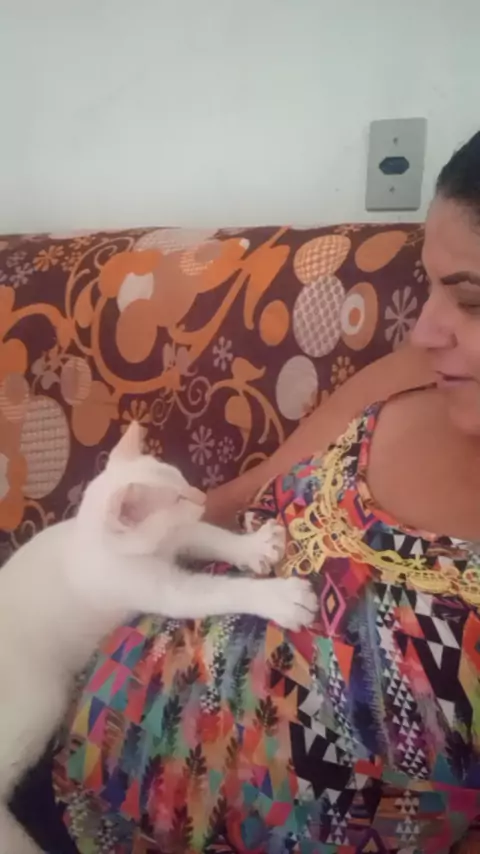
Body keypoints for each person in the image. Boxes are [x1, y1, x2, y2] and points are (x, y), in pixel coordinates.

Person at [24, 133, 480, 853]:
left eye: (472, 299)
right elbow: (236, 497)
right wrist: (114, 529)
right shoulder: (415, 373)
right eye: (430, 286)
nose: (425, 328)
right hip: (59, 756)